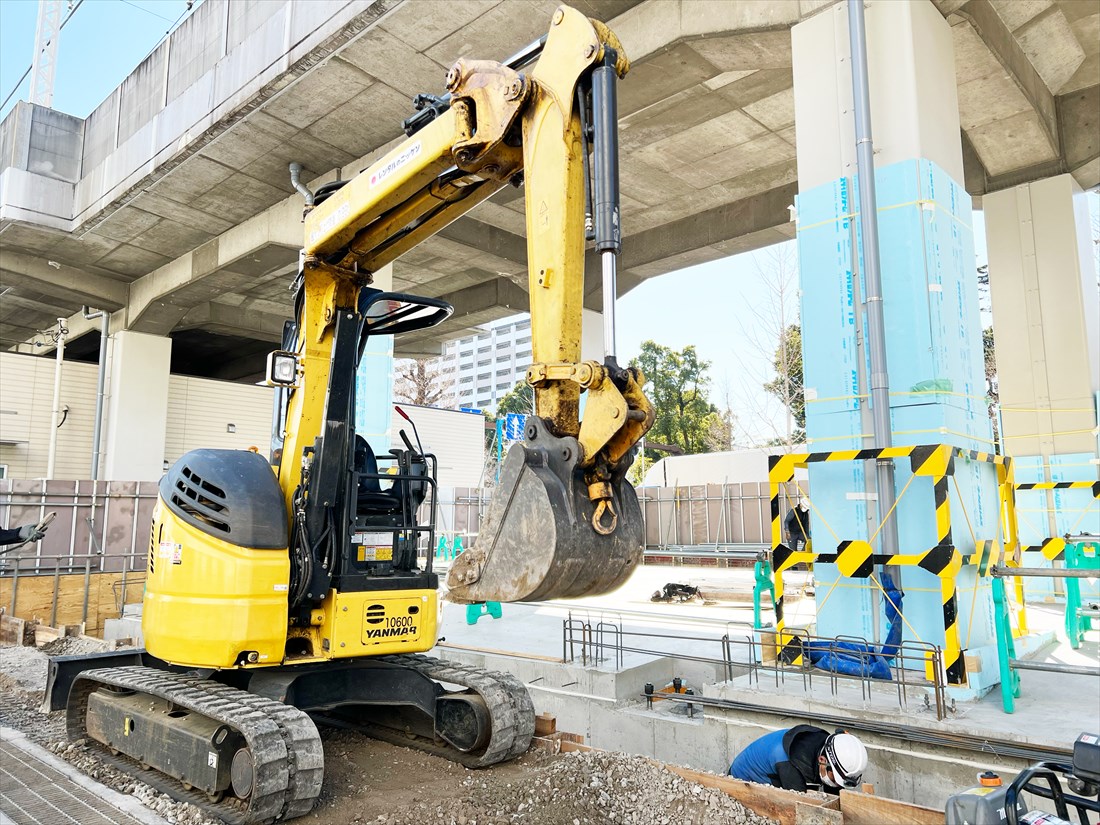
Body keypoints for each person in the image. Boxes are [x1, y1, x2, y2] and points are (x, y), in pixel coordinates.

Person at [729, 726, 868, 794]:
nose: (838, 785)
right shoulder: (790, 765)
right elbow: (799, 805)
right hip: (742, 779)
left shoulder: (823, 745)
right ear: (822, 759)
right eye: (835, 779)